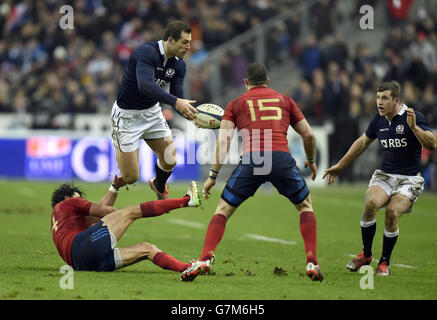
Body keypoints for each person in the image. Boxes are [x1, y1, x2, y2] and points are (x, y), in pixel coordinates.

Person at [180, 63, 324, 282]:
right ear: (267, 81)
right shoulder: (286, 100)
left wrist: (212, 176)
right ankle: (312, 261)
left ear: (245, 82)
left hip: (254, 159)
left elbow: (224, 140)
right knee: (304, 206)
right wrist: (311, 161)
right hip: (280, 159)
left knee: (223, 209)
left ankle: (205, 259)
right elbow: (309, 135)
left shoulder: (236, 104)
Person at [323, 81, 436, 276]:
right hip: (385, 175)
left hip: (409, 179)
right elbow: (362, 143)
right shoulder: (379, 120)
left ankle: (384, 262)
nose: (379, 102)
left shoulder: (413, 116)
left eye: (384, 98)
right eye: (377, 97)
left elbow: (432, 144)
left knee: (391, 213)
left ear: (396, 100)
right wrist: (340, 165)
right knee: (370, 204)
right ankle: (366, 255)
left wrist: (415, 129)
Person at [111, 21, 198, 200]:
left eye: (189, 42)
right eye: (185, 42)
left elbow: (177, 97)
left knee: (170, 160)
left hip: (151, 113)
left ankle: (158, 185)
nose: (189, 46)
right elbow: (145, 86)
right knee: (131, 177)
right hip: (126, 117)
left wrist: (194, 115)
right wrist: (176, 102)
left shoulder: (179, 65)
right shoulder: (146, 52)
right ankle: (113, 187)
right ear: (170, 40)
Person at [50, 175, 201, 272]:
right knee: (130, 212)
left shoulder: (60, 220)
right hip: (82, 247)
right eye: (78, 198)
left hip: (82, 265)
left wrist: (114, 187)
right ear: (67, 197)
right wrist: (118, 214)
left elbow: (94, 217)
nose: (80, 200)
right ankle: (187, 200)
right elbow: (106, 211)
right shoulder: (69, 203)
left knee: (146, 249)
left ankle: (188, 268)